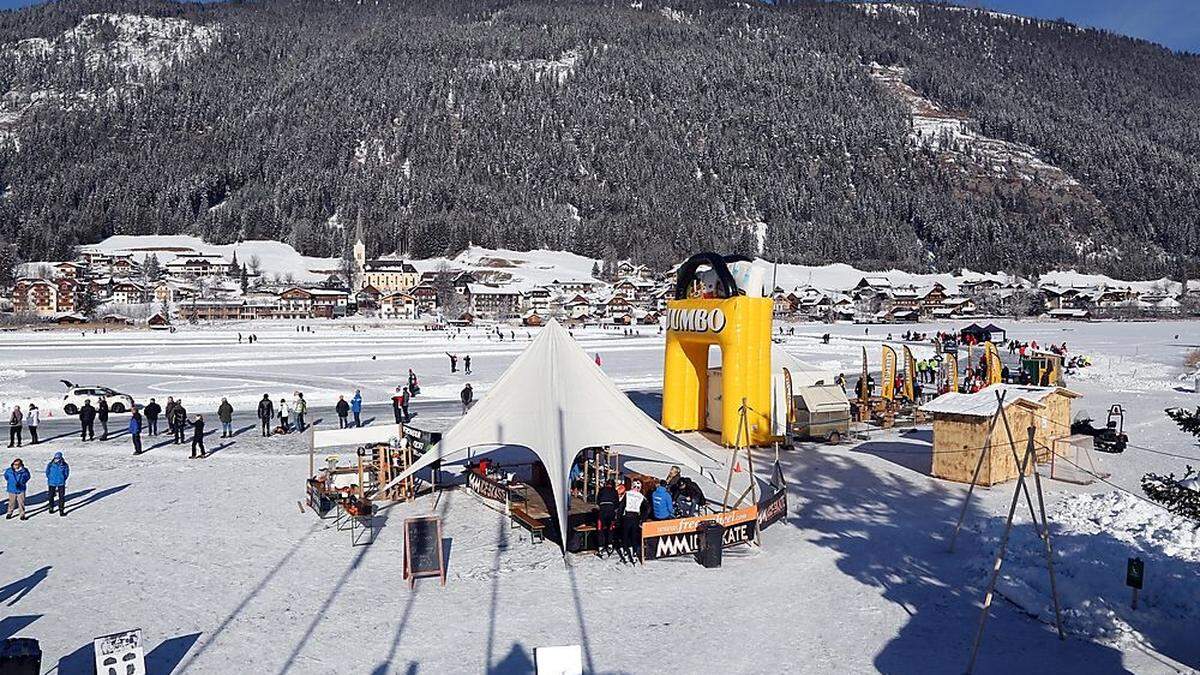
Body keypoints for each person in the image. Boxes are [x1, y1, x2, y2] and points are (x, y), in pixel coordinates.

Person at [618, 480, 647, 564]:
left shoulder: (627, 493)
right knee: (634, 536)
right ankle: (634, 554)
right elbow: (647, 508)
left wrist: (618, 519)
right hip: (635, 517)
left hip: (627, 516)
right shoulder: (641, 496)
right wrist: (642, 518)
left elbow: (621, 506)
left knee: (625, 536)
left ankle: (626, 553)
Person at [596, 478, 619, 557]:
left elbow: (598, 501)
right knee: (610, 528)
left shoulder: (601, 490)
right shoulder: (614, 491)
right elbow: (617, 504)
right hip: (611, 510)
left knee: (600, 528)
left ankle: (600, 546)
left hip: (602, 510)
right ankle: (609, 544)